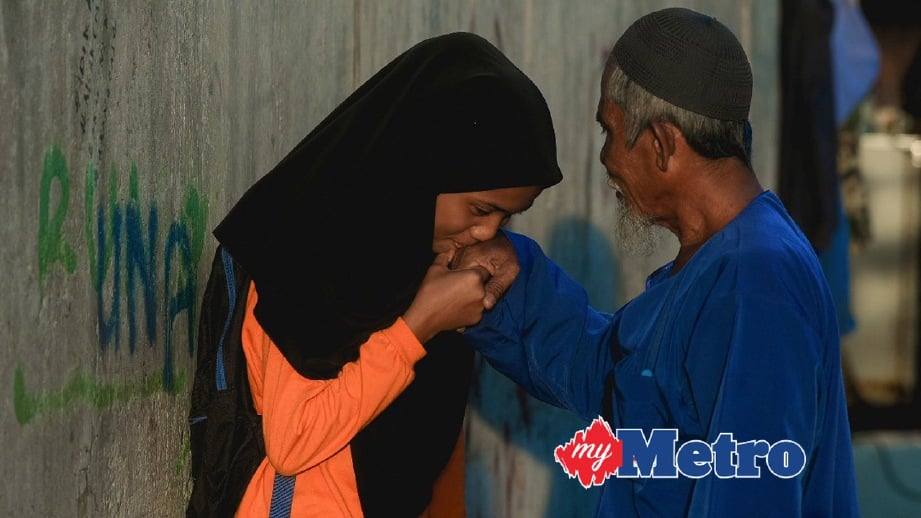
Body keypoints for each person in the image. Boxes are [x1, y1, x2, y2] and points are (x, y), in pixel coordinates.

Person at [451, 7, 860, 516]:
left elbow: (752, 498)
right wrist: (512, 284)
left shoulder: (755, 282)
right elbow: (612, 376)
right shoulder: (716, 265)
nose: (606, 160)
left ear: (663, 143)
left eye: (610, 132)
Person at [193, 32, 563, 517]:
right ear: (430, 166)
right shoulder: (312, 248)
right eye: (479, 209)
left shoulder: (413, 257)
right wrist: (416, 329)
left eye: (507, 218)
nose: (485, 232)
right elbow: (293, 440)